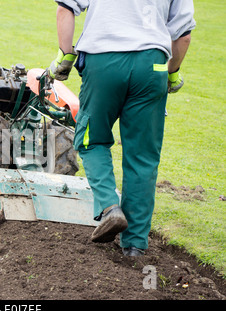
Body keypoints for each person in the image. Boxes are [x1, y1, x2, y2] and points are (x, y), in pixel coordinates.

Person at [48, 0, 196, 256]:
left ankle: (109, 208)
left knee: (91, 140)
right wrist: (172, 73)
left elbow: (66, 8)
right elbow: (183, 35)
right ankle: (135, 245)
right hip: (153, 66)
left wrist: (65, 56)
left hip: (103, 62)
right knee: (143, 157)